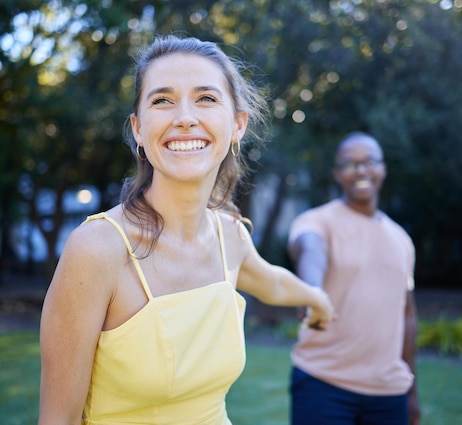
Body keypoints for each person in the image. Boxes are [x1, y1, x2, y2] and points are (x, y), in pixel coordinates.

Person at [37, 35, 335, 425]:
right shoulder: (97, 249)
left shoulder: (230, 236)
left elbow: (273, 283)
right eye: (162, 100)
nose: (184, 117)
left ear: (237, 125)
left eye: (206, 99)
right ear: (139, 129)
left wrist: (318, 300)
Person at [287, 132, 420, 425]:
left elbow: (407, 316)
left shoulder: (402, 239)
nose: (360, 170)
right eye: (349, 164)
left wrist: (412, 392)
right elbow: (310, 248)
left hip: (389, 392)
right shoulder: (317, 221)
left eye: (369, 161)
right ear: (337, 174)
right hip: (323, 384)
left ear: (382, 169)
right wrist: (312, 291)